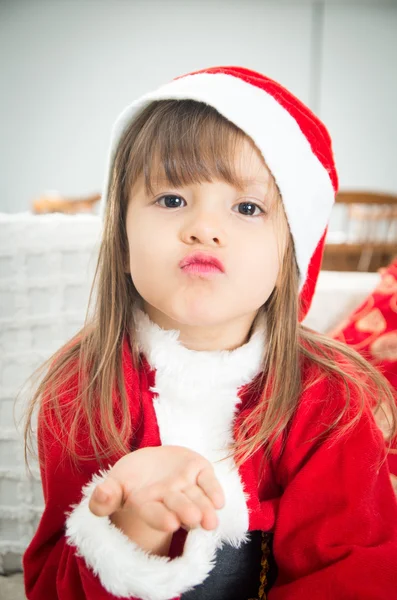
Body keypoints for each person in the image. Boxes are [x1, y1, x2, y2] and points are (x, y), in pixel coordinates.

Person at [22, 66, 397, 600]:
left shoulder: (333, 400)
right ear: (122, 241)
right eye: (171, 200)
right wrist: (130, 530)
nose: (203, 227)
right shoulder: (80, 389)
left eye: (247, 207)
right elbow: (51, 588)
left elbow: (355, 574)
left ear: (289, 255)